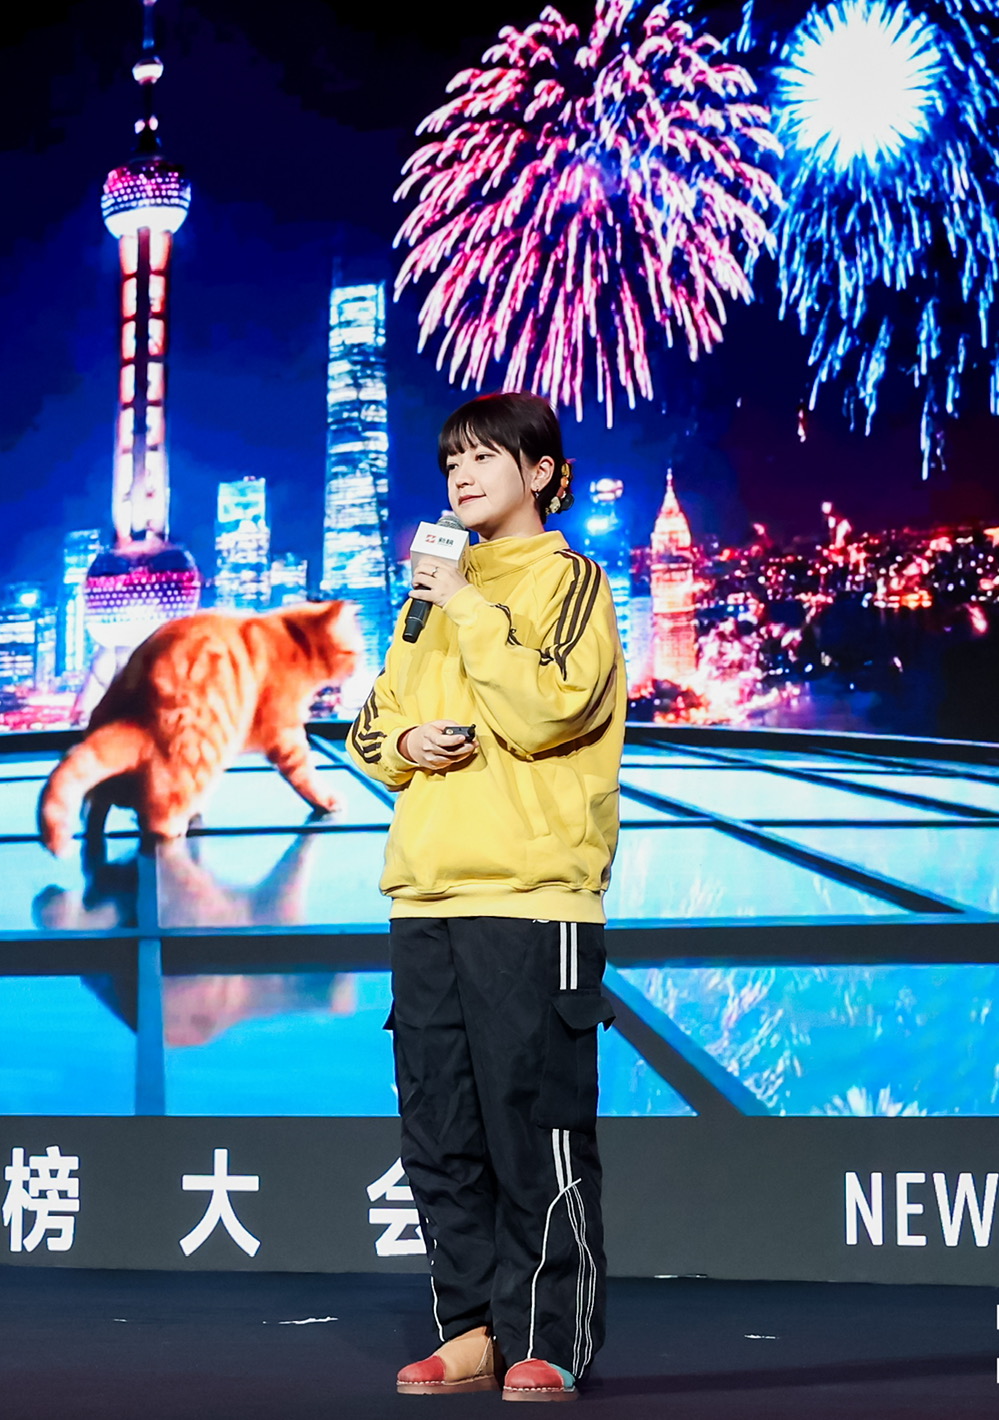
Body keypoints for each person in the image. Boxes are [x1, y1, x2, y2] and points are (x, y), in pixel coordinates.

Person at [348, 392, 625, 1403]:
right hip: (426, 895)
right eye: (451, 461)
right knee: (440, 1131)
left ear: (541, 473)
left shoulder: (570, 582)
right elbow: (370, 731)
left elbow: (552, 709)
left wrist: (467, 600)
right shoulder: (424, 598)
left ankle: (548, 1336)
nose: (461, 476)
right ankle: (468, 1328)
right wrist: (406, 741)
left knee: (535, 1126)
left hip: (535, 897)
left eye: (484, 458)